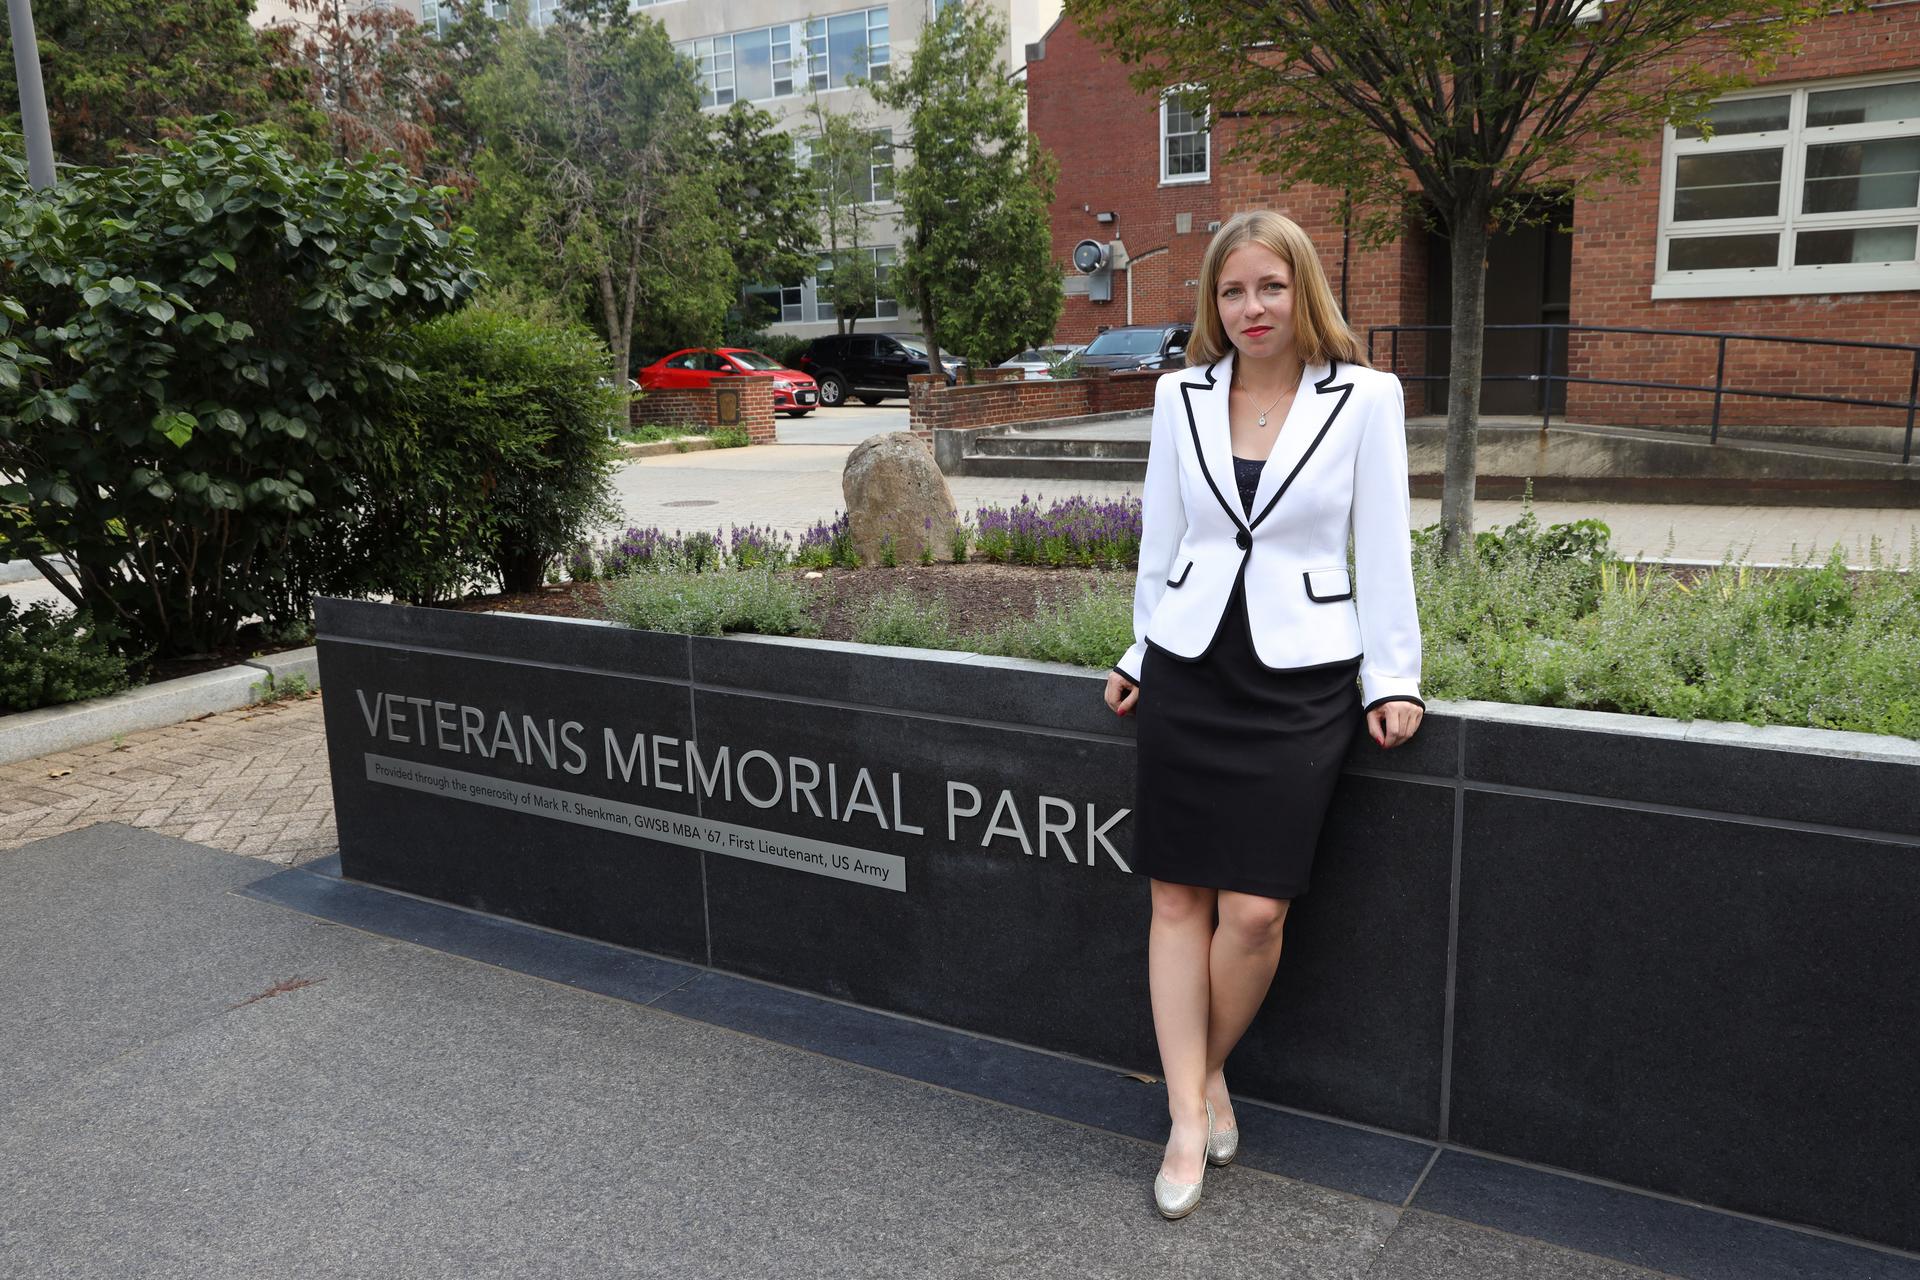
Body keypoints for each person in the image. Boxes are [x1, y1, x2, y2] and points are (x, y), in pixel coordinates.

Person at [1101, 209, 1425, 1220]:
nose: (1252, 308)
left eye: (1270, 287)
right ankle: (1190, 1116)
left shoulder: (1367, 398)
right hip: (1190, 666)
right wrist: (1137, 649)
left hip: (1300, 676)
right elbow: (1164, 539)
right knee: (1173, 901)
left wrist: (1394, 676)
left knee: (1254, 910)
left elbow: (1386, 543)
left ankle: (1197, 1070)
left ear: (1304, 290)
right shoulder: (1179, 397)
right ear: (1213, 301)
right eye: (1233, 291)